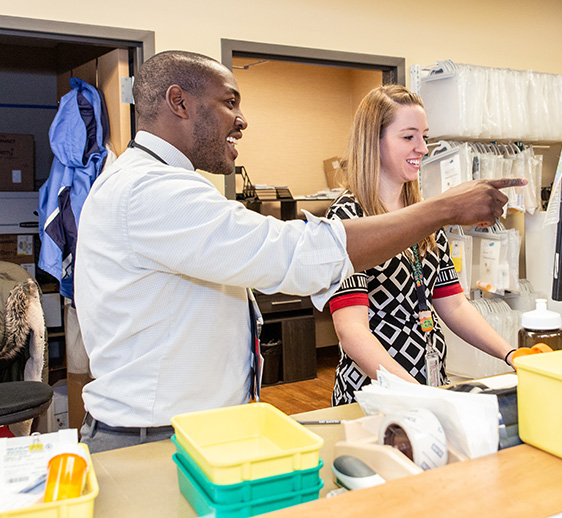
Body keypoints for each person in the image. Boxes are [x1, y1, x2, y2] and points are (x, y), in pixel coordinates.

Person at [73, 50, 523, 452]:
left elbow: (451, 300)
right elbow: (291, 254)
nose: (242, 119)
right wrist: (442, 209)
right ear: (179, 102)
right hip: (153, 437)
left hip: (194, 427)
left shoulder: (166, 185)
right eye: (230, 102)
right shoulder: (150, 193)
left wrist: (507, 355)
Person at [326, 85, 517, 405]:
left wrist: (510, 353)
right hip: (377, 392)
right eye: (408, 137)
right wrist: (413, 394)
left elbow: (453, 304)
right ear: (374, 141)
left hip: (430, 384)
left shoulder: (425, 215)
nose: (422, 148)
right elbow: (352, 333)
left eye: (424, 136)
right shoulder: (348, 218)